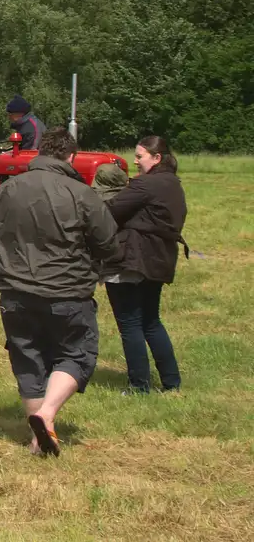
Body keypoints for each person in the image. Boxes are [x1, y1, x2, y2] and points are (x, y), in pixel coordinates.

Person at [0, 128, 120, 457]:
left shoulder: (5, 190)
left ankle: (39, 439)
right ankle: (45, 417)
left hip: (15, 292)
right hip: (67, 292)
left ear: (40, 152)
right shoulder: (81, 193)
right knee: (77, 355)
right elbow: (109, 244)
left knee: (28, 358)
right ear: (71, 157)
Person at [102, 136, 187, 395]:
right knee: (151, 321)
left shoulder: (145, 184)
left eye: (140, 156)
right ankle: (172, 383)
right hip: (159, 259)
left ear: (157, 157)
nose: (135, 161)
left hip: (133, 259)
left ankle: (139, 386)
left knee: (130, 323)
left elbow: (109, 212)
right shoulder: (173, 183)